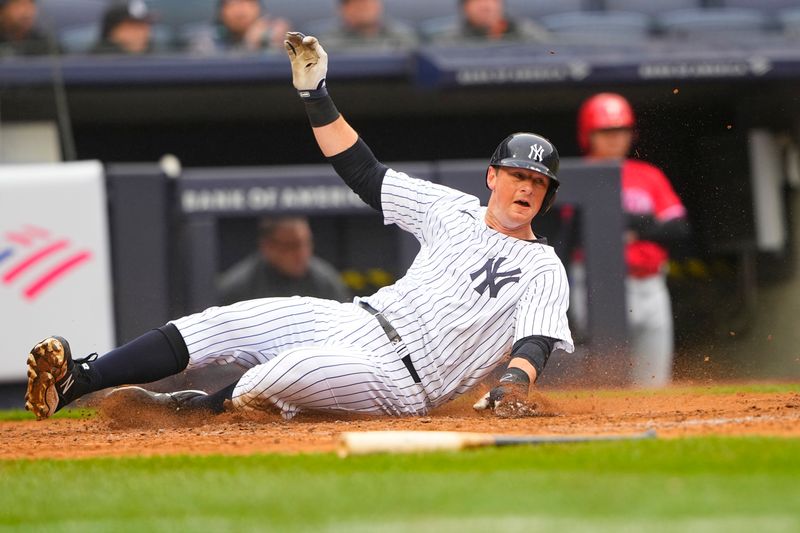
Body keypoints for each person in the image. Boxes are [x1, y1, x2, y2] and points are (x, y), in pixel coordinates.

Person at [24, 32, 573, 422]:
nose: (526, 188)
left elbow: (537, 339)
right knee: (221, 324)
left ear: (545, 196)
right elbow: (363, 171)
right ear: (493, 176)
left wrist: (513, 382)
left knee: (284, 372)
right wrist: (317, 96)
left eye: (538, 182)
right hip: (354, 320)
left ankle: (184, 413)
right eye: (517, 175)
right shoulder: (450, 208)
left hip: (405, 379)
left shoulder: (542, 265)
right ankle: (79, 380)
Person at [575, 92, 690, 387]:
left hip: (650, 284)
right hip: (596, 284)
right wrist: (644, 225)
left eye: (621, 131)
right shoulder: (577, 175)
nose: (615, 139)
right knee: (605, 378)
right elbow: (573, 233)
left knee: (652, 380)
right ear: (589, 135)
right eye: (606, 131)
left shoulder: (647, 175)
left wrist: (630, 227)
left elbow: (678, 228)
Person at [217, 216, 350, 304]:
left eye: (306, 243)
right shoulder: (238, 288)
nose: (302, 253)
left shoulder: (325, 281)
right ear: (268, 247)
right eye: (292, 246)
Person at [186, 0, 289, 55]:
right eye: (232, 3)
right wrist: (250, 44)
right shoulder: (205, 40)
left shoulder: (272, 34)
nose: (240, 10)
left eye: (247, 2)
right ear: (220, 11)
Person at [429, 0, 549, 45]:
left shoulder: (525, 31)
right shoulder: (450, 39)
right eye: (477, 1)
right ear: (465, 7)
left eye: (493, 0)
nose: (486, 6)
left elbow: (552, 53)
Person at [318, 0, 417, 51]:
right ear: (343, 9)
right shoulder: (327, 42)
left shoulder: (401, 36)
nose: (366, 8)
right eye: (359, 4)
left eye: (370, 2)